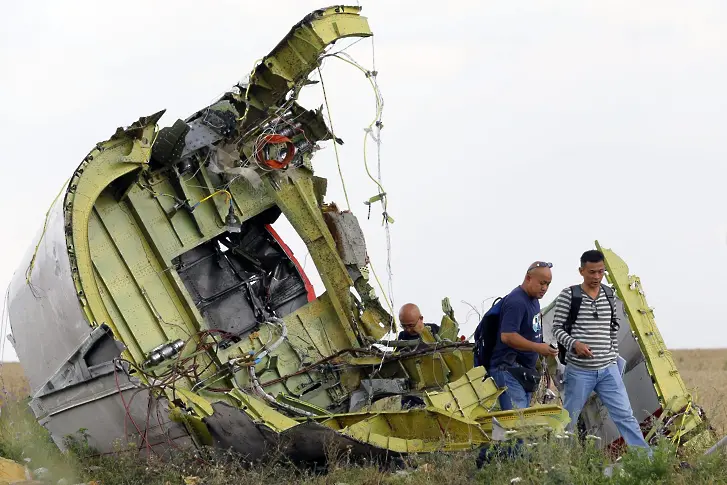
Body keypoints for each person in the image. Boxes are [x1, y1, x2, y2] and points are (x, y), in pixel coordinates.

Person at [551, 249, 650, 451]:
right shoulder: (569, 295)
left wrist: (613, 355)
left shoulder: (609, 294)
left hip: (608, 370)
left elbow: (612, 328)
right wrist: (574, 344)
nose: (597, 277)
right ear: (581, 271)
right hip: (579, 372)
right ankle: (561, 462)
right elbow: (557, 329)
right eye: (592, 272)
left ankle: (645, 459)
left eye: (601, 272)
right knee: (569, 420)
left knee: (625, 416)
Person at [488, 261, 558, 410]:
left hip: (523, 373)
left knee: (523, 418)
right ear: (528, 278)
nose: (545, 288)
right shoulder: (517, 301)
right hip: (508, 370)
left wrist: (545, 348)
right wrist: (538, 347)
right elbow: (507, 336)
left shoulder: (534, 301)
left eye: (548, 284)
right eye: (542, 283)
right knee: (517, 423)